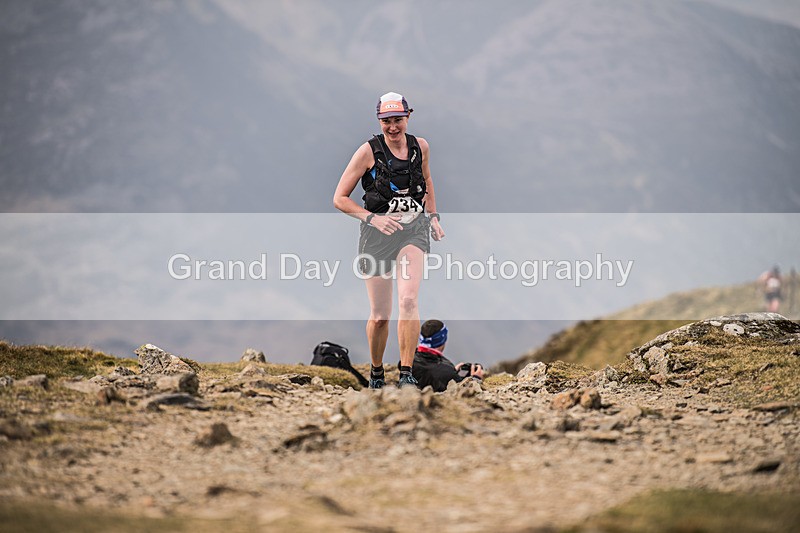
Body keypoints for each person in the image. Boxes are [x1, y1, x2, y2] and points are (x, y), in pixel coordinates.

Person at [333, 92, 445, 388]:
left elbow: (427, 179)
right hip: (377, 235)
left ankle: (406, 372)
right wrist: (372, 218)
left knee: (408, 299)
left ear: (408, 117)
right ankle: (377, 371)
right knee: (381, 315)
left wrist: (432, 216)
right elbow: (339, 199)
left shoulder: (421, 147)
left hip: (413, 230)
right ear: (379, 120)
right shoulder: (368, 152)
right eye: (386, 121)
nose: (393, 127)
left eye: (398, 120)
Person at [412, 319, 484, 392]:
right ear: (443, 339)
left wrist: (452, 370)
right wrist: (475, 379)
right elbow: (460, 392)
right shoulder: (447, 373)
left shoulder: (409, 360)